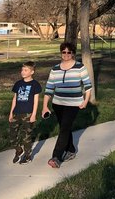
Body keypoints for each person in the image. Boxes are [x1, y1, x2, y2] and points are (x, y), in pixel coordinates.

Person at [41, 41, 92, 169]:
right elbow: (49, 88)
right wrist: (45, 106)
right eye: (64, 52)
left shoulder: (80, 67)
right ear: (61, 53)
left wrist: (85, 101)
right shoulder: (55, 69)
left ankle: (56, 157)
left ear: (73, 53)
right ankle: (71, 150)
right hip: (57, 103)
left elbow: (88, 86)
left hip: (74, 104)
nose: (66, 54)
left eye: (69, 52)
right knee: (65, 127)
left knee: (64, 128)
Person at [9, 61, 42, 165]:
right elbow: (14, 99)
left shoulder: (35, 85)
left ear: (32, 72)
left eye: (25, 70)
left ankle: (27, 155)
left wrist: (33, 114)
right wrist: (11, 113)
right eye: (22, 70)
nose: (22, 72)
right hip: (16, 112)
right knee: (12, 136)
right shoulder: (18, 84)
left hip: (28, 113)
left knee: (26, 136)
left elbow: (36, 101)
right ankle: (19, 150)